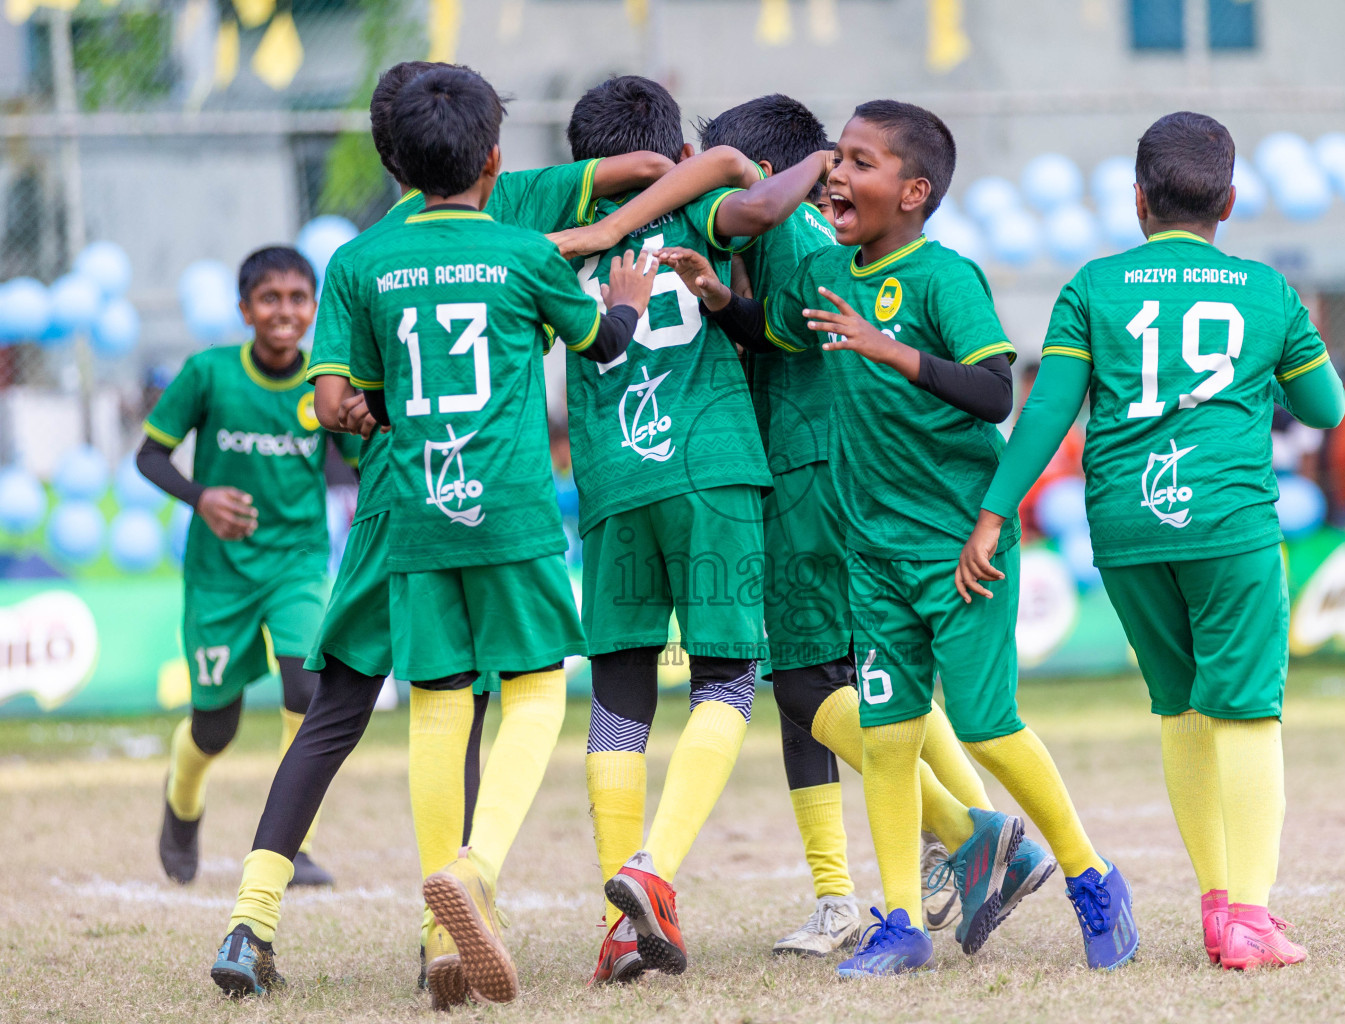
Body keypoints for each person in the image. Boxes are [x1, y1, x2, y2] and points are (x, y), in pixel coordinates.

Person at [207, 63, 660, 1005]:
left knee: (363, 712)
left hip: (397, 505)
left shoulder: (363, 258)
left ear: (393, 158)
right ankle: (454, 907)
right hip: (490, 506)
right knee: (499, 697)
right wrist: (624, 235)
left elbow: (330, 400)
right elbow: (644, 178)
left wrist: (362, 409)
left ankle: (256, 922)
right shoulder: (520, 221)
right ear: (495, 153)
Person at [660, 99, 1133, 977]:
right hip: (871, 552)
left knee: (989, 729)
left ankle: (1092, 876)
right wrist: (719, 295)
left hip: (960, 547)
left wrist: (889, 350)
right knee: (885, 734)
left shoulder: (944, 277)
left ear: (913, 192)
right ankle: (902, 923)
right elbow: (771, 330)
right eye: (836, 158)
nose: (836, 174)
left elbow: (996, 392)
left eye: (859, 162)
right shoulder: (825, 271)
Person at [608, 93, 1035, 956]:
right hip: (807, 472)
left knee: (809, 685)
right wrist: (722, 299)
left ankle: (971, 834)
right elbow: (771, 333)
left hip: (811, 478)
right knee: (830, 685)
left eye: (713, 169)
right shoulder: (805, 245)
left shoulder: (800, 239)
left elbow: (802, 332)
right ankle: (859, 886)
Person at [958, 111, 1344, 970]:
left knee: (1181, 708)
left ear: (1137, 199)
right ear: (1231, 201)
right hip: (1227, 523)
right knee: (1247, 710)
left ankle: (1218, 906)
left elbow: (1048, 409)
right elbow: (1325, 411)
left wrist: (994, 510)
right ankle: (1249, 915)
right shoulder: (1268, 291)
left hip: (1126, 528)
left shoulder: (1093, 287)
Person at [543, 75, 835, 984]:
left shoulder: (554, 249)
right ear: (668, 154)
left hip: (611, 481)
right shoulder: (696, 214)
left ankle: (616, 922)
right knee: (730, 679)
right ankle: (650, 870)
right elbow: (753, 190)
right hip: (709, 469)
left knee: (620, 697)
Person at [139, 245, 354, 892]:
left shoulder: (326, 385)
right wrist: (201, 497)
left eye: (297, 299)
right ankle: (182, 802)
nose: (284, 312)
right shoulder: (208, 374)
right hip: (219, 576)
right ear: (245, 309)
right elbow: (150, 457)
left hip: (297, 563)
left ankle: (293, 845)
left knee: (306, 692)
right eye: (270, 299)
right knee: (216, 726)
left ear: (314, 308)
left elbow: (363, 460)